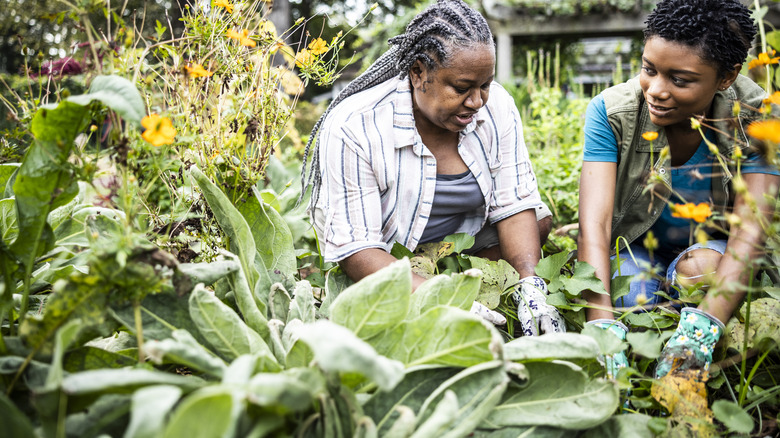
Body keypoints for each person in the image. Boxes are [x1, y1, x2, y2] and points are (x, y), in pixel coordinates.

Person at [299, 0, 564, 335]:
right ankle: (427, 288)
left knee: (536, 221)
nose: (477, 102)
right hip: (386, 251)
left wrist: (531, 285)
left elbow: (514, 204)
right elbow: (357, 248)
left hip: (461, 241)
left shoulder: (496, 106)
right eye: (462, 88)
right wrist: (439, 298)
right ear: (418, 73)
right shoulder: (355, 126)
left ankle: (476, 283)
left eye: (485, 85)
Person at [578, 0, 780, 378]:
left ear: (726, 77)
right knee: (629, 299)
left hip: (710, 252)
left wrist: (704, 327)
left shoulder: (757, 114)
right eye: (648, 70)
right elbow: (596, 224)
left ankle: (690, 323)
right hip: (636, 248)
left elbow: (751, 228)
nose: (656, 90)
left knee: (701, 272)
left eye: (680, 80)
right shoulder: (611, 112)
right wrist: (602, 326)